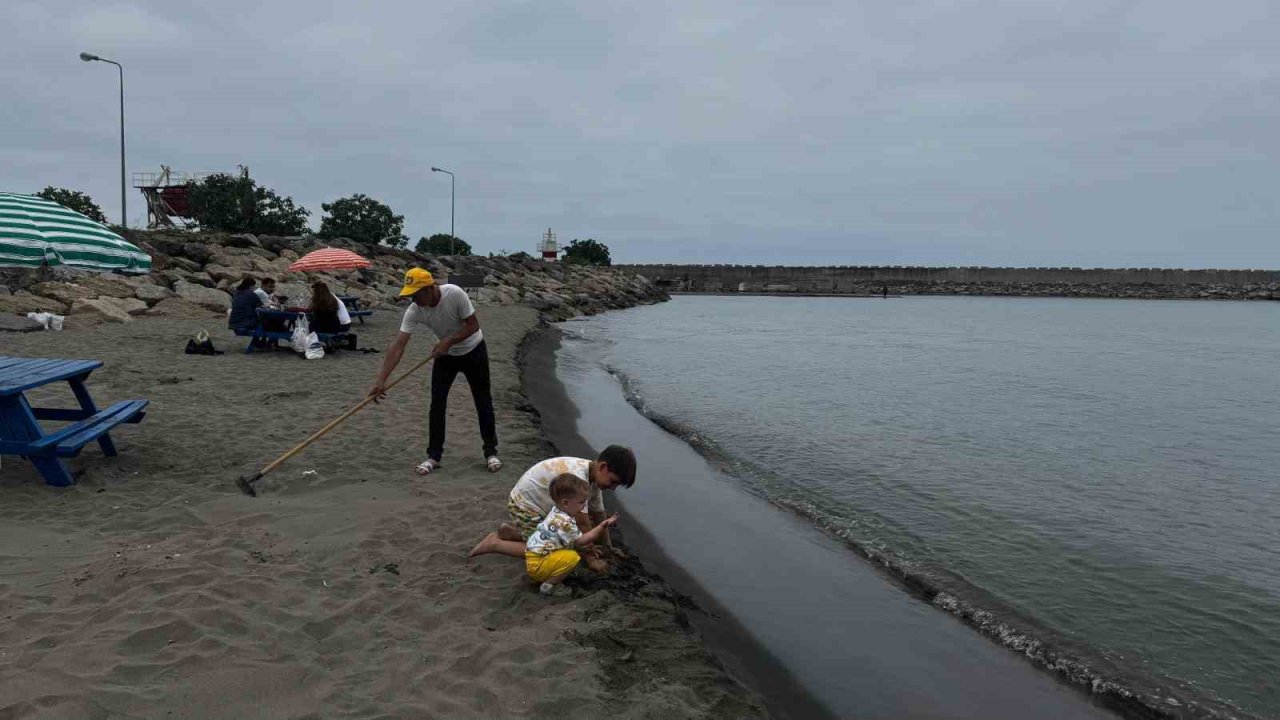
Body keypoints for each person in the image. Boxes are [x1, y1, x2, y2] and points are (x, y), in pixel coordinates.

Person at [368, 268, 500, 475]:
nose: (414, 299)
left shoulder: (454, 293)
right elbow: (398, 345)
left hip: (474, 350)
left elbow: (473, 325)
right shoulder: (415, 310)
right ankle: (434, 456)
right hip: (445, 356)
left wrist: (449, 340)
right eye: (410, 294)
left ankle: (491, 452)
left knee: (482, 401)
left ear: (430, 289)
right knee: (437, 404)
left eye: (416, 293)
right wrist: (381, 381)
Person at [469, 446, 636, 568]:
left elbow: (599, 514)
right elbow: (583, 523)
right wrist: (591, 558)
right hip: (525, 505)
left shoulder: (590, 477)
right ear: (603, 467)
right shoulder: (579, 478)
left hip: (539, 505)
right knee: (548, 550)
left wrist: (608, 548)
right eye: (613, 481)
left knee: (568, 534)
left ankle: (510, 533)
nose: (613, 488)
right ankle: (494, 544)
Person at [522, 473, 620, 597]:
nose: (584, 506)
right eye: (581, 502)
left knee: (570, 551)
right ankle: (549, 585)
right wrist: (602, 525)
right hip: (538, 564)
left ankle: (544, 574)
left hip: (532, 557)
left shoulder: (555, 511)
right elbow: (583, 540)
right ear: (566, 503)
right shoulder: (566, 522)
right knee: (573, 557)